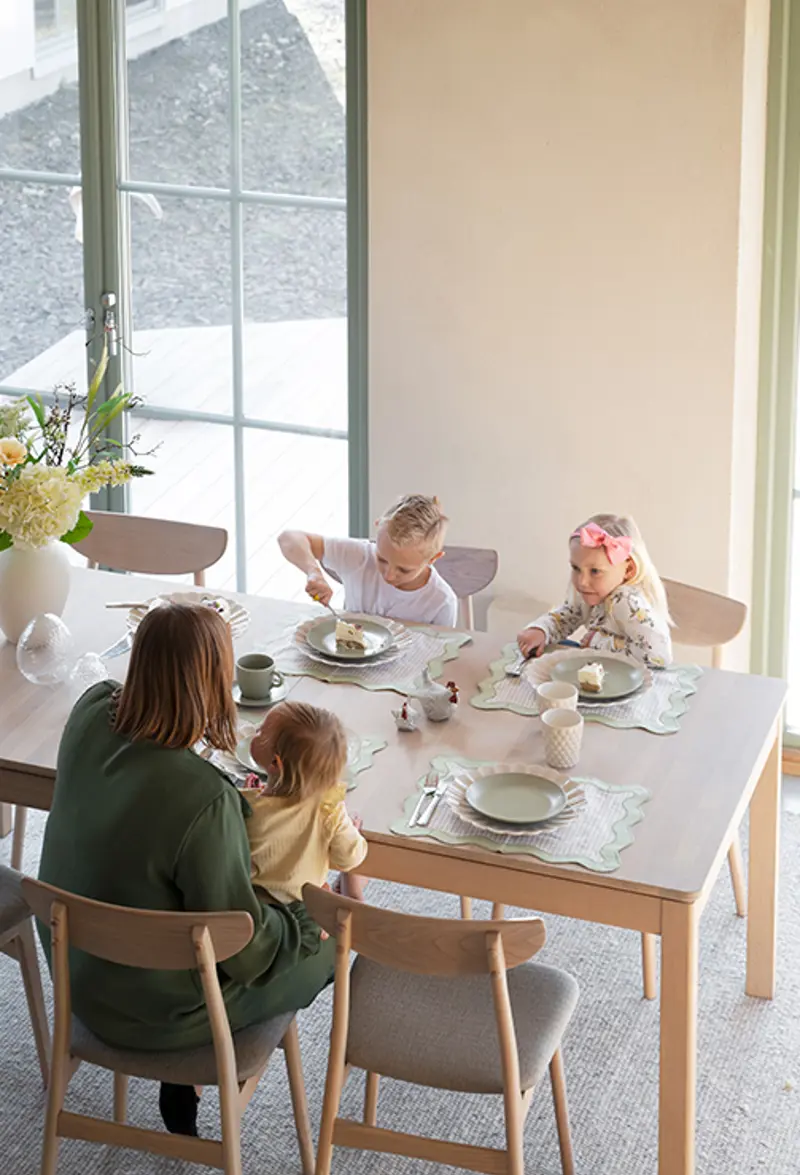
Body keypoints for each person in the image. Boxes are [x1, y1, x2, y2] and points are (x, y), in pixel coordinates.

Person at [38, 604, 334, 1138]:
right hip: (160, 1013)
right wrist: (305, 918)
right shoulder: (204, 798)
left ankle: (186, 1086)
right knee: (331, 941)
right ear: (214, 684)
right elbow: (247, 952)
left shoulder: (89, 709)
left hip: (77, 978)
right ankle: (194, 1073)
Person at [246, 701, 367, 903]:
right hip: (308, 914)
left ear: (276, 763)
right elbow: (350, 857)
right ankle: (350, 895)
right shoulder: (328, 809)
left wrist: (252, 794)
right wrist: (351, 830)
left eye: (260, 731)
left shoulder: (246, 807)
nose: (255, 731)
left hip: (255, 915)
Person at [278, 493, 458, 627]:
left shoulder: (441, 602)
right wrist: (313, 572)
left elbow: (439, 657)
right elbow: (288, 538)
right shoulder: (359, 556)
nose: (388, 575)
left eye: (403, 570)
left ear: (433, 559)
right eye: (381, 559)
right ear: (378, 526)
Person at [517, 513, 672, 668]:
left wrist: (597, 642)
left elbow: (659, 656)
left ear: (628, 569)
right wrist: (542, 630)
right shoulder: (593, 592)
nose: (582, 581)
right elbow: (568, 614)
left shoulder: (626, 602)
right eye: (576, 568)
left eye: (595, 571)